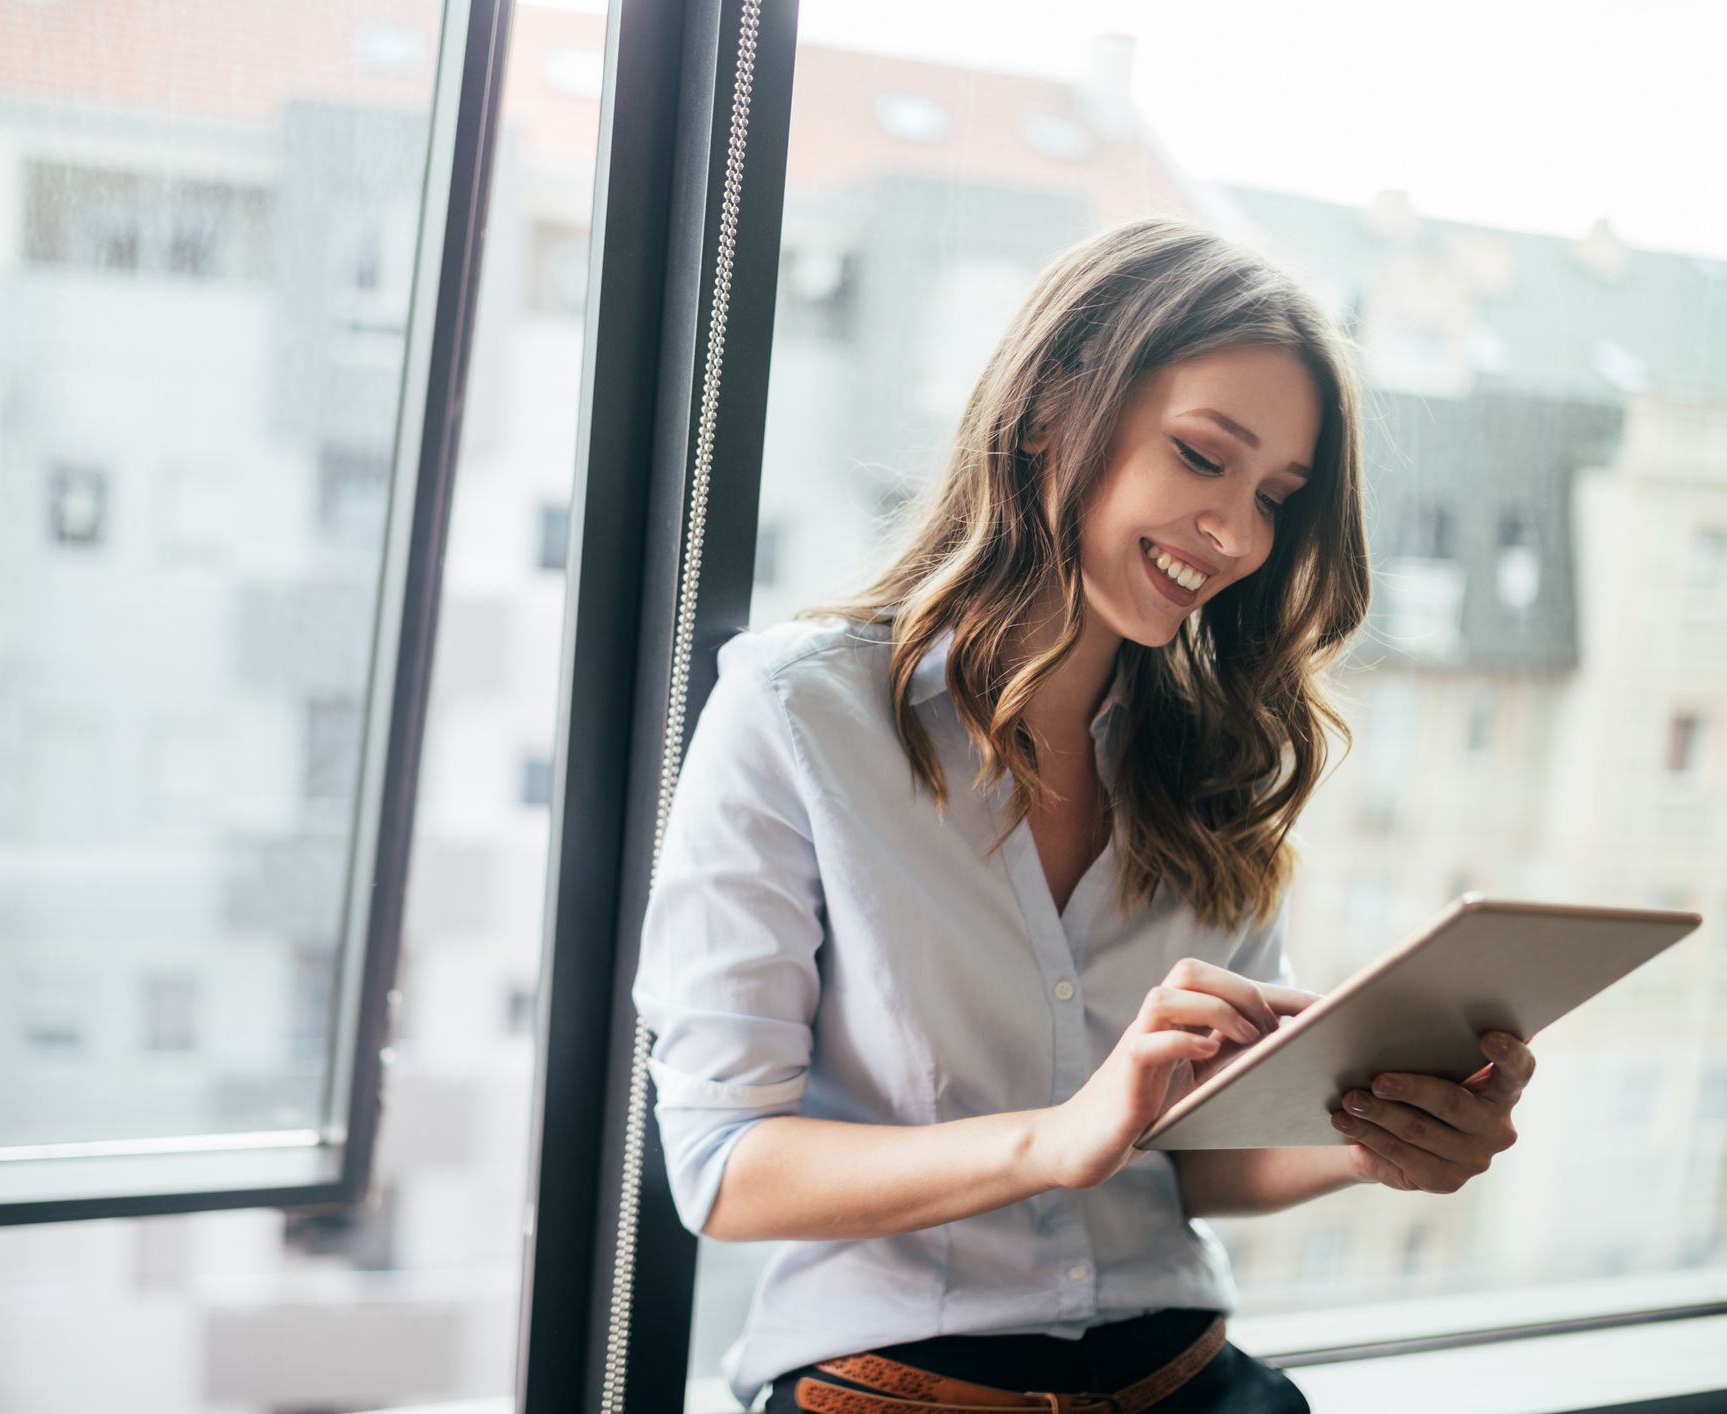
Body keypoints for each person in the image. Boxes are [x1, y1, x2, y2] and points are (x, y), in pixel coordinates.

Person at [632, 216, 1537, 1413]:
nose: (1239, 534)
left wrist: (1380, 1142)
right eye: (1204, 457)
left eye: (1276, 495)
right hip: (897, 1382)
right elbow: (723, 1166)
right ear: (1055, 407)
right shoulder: (798, 713)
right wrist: (1057, 1134)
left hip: (1193, 1378)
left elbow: (1192, 1160)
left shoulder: (1214, 758)